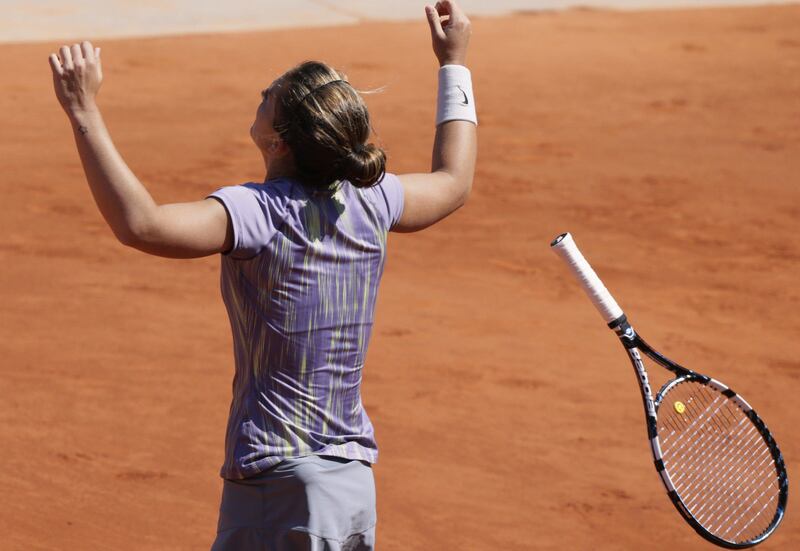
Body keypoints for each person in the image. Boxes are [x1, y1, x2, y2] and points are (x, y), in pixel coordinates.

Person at [48, 1, 477, 549]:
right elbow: (454, 180)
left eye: (269, 99)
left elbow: (142, 225)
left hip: (282, 488)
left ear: (280, 142)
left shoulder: (260, 212)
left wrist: (83, 110)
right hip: (350, 486)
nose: (261, 94)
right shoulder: (374, 200)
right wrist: (454, 60)